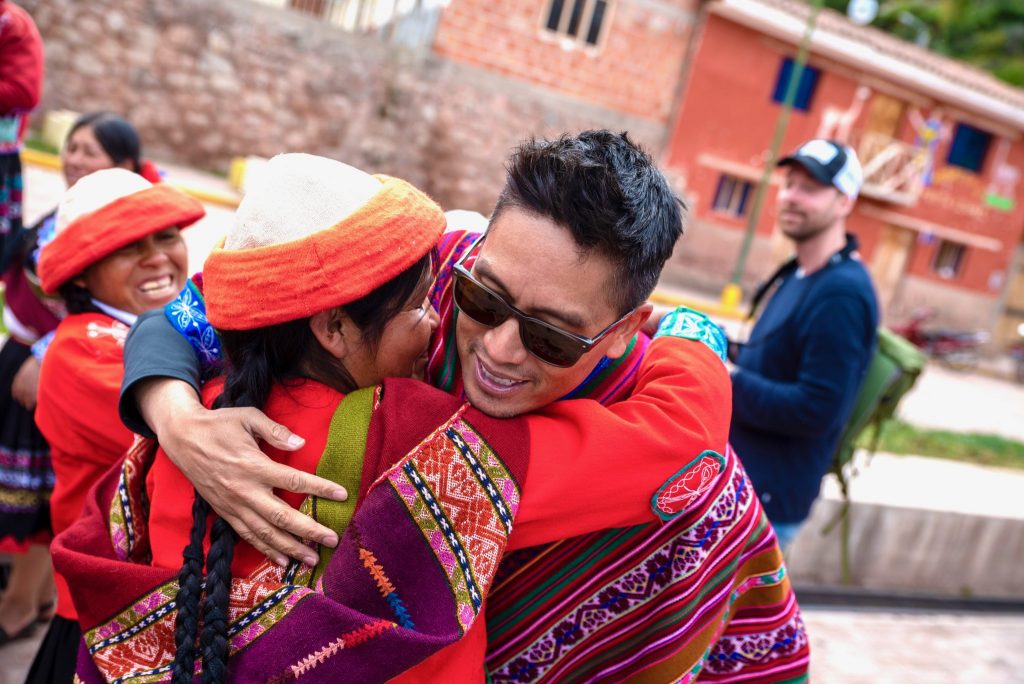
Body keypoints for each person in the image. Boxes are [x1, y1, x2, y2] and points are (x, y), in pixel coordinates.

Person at [110, 132, 809, 680]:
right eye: (484, 299)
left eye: (549, 335)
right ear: (475, 251)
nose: (500, 349)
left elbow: (690, 454)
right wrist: (178, 419)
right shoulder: (423, 268)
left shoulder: (675, 454)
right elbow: (199, 306)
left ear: (625, 330)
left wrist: (694, 332)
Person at [27, 168, 204, 682]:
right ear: (80, 273)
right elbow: (199, 424)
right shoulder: (83, 350)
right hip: (100, 611)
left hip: (150, 599)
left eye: (166, 235)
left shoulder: (176, 321)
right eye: (127, 246)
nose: (157, 257)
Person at [0, 112, 158, 646]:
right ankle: (28, 597)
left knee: (43, 503)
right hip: (98, 598)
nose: (74, 159)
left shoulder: (126, 336)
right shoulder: (90, 349)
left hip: (107, 597)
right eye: (72, 147)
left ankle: (26, 600)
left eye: (90, 151)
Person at [729, 138, 879, 552]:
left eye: (810, 188)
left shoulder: (842, 294)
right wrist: (702, 339)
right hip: (742, 489)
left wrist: (723, 380)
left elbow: (816, 408)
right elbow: (767, 360)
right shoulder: (798, 273)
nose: (791, 197)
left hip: (764, 507)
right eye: (789, 183)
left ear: (845, 201)